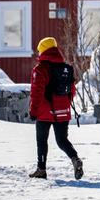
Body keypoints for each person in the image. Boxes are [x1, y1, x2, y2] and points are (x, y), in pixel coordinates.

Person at [28, 36, 83, 180]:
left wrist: (33, 111)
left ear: (43, 51)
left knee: (42, 140)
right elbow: (72, 91)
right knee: (62, 140)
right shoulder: (66, 68)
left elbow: (36, 93)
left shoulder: (40, 69)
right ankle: (75, 159)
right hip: (63, 111)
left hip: (44, 112)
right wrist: (62, 103)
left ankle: (41, 169)